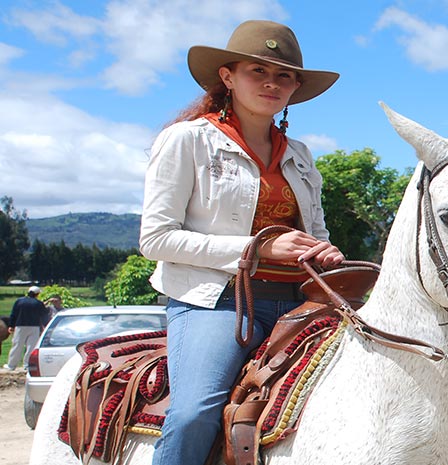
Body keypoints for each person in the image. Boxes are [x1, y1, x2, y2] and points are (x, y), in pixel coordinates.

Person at [138, 20, 343, 465]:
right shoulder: (186, 140)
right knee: (195, 413)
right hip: (216, 303)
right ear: (228, 77)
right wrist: (256, 249)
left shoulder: (301, 155)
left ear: (295, 87)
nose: (272, 83)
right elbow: (155, 238)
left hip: (298, 303)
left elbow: (316, 233)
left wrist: (325, 253)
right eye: (257, 71)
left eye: (284, 75)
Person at [4, 286, 48, 371]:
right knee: (31, 346)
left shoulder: (19, 301)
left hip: (20, 326)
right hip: (34, 327)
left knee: (17, 345)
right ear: (37, 294)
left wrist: (11, 325)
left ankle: (11, 365)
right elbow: (44, 314)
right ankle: (27, 365)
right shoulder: (38, 303)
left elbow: (14, 314)